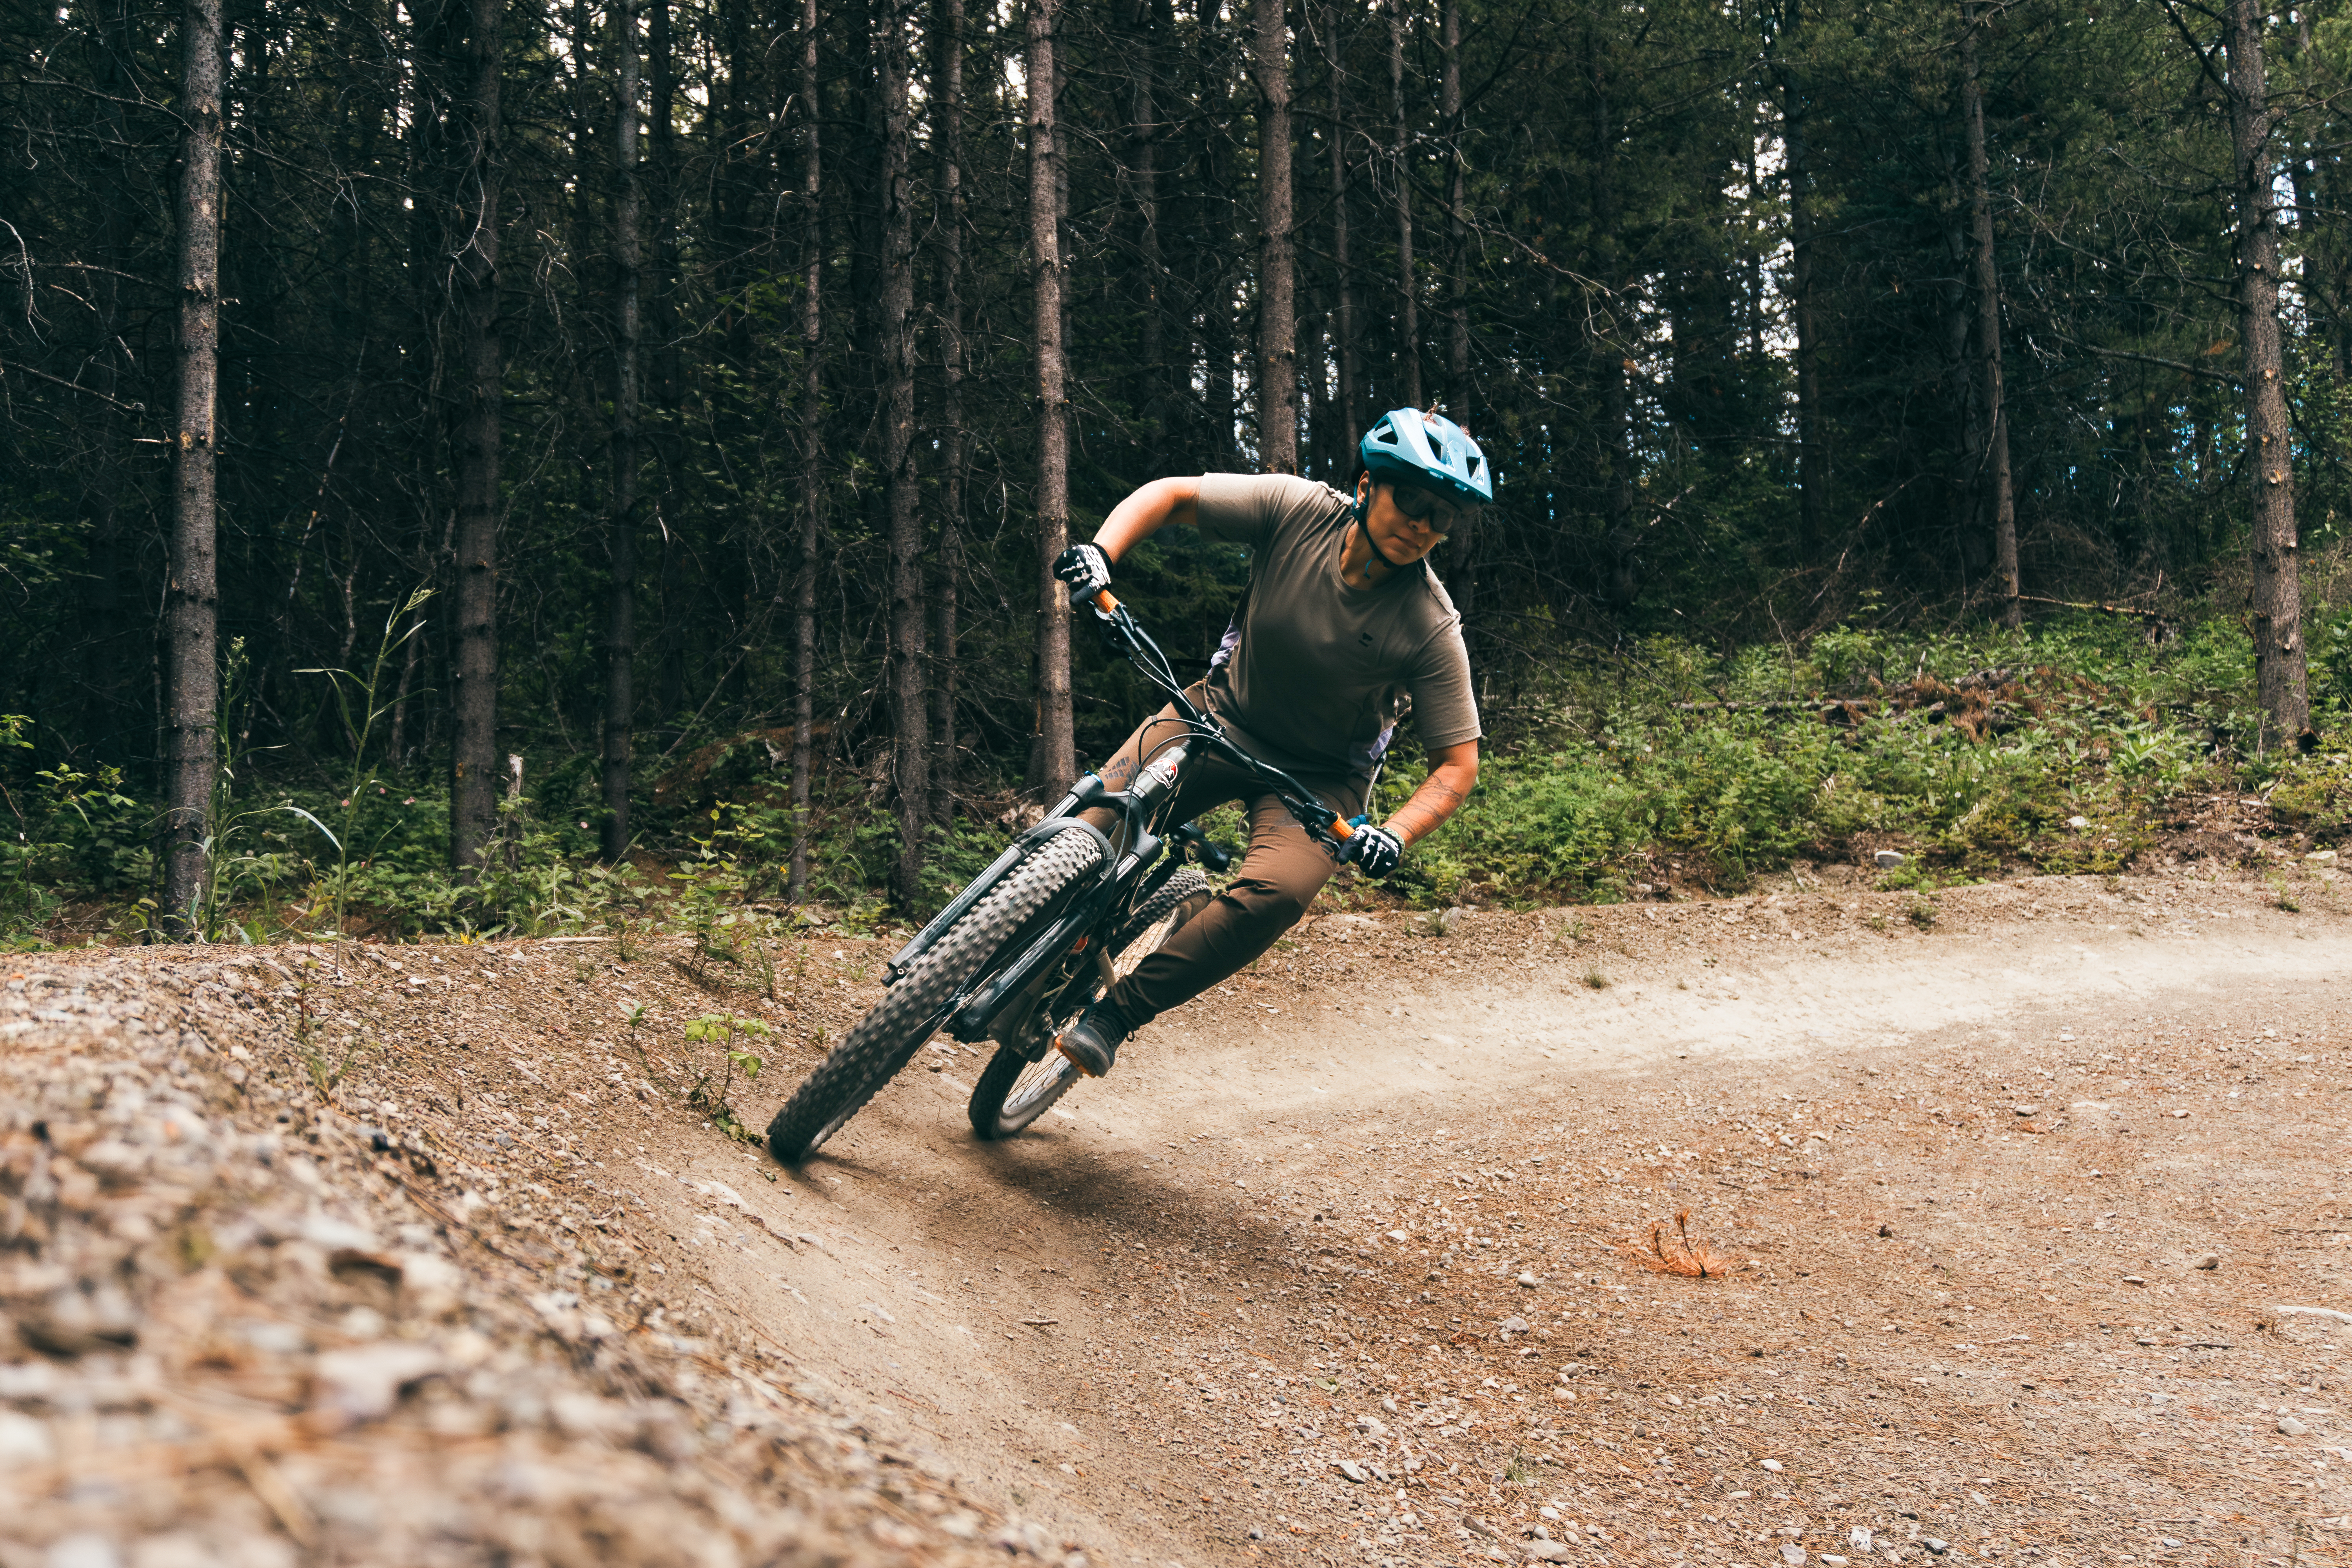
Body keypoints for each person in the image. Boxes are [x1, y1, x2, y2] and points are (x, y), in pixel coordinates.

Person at [1045, 407, 1492, 1078]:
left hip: (1319, 784)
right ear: (1370, 485)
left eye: (1443, 515)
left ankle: (1117, 1014)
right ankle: (1018, 932)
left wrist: (1393, 833)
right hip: (1220, 715)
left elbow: (1457, 765)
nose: (1424, 523)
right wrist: (1100, 555)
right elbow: (1174, 495)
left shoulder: (1431, 624)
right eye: (1414, 500)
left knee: (1279, 894)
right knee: (1097, 816)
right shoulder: (1300, 509)